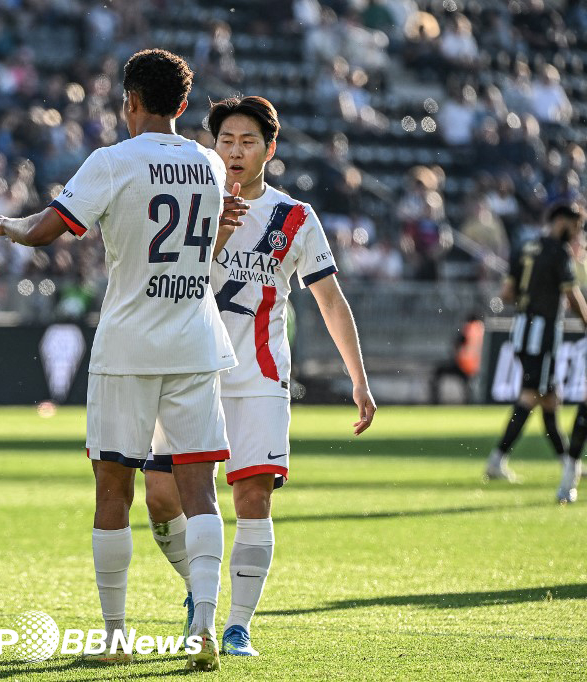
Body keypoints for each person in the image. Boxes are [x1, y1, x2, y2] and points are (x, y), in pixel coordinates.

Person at [0, 49, 247, 671]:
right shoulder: (209, 162)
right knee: (200, 490)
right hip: (196, 340)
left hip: (128, 347)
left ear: (130, 102)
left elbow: (51, 229)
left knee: (112, 489)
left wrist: (9, 227)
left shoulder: (113, 161)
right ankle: (203, 624)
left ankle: (116, 634)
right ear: (182, 106)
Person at [140, 96, 376, 658]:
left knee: (253, 497)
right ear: (212, 147)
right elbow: (162, 280)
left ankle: (236, 625)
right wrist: (215, 232)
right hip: (187, 375)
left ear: (270, 149)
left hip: (259, 380)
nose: (236, 151)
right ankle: (199, 593)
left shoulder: (294, 217)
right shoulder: (187, 204)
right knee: (158, 496)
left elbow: (329, 299)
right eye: (226, 141)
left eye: (248, 142)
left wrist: (358, 380)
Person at [485, 203, 587, 503]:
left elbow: (506, 293)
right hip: (541, 335)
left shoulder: (525, 246)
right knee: (531, 396)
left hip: (522, 329)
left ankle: (567, 463)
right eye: (577, 226)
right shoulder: (558, 252)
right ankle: (497, 459)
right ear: (562, 222)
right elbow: (573, 295)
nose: (578, 232)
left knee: (551, 400)